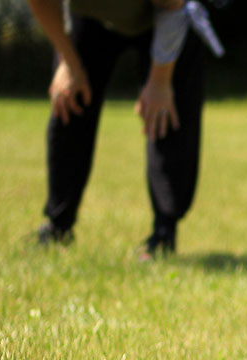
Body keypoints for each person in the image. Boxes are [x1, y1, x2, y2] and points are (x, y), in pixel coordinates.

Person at [27, 0, 208, 259]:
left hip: (166, 16)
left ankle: (164, 234)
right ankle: (58, 226)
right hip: (89, 17)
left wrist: (160, 80)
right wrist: (68, 61)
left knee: (166, 116)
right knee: (69, 100)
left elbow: (173, 7)